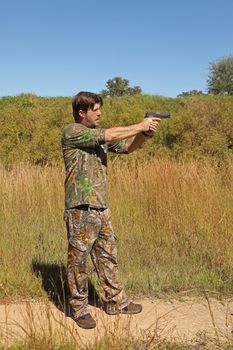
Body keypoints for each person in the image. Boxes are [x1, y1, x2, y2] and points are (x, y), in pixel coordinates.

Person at [61, 91, 160, 329]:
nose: (100, 113)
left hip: (101, 207)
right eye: (95, 109)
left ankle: (117, 302)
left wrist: (143, 134)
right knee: (79, 263)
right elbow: (108, 134)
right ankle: (79, 308)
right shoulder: (73, 132)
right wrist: (139, 124)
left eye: (100, 109)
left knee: (108, 256)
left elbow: (127, 147)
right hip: (81, 208)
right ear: (82, 113)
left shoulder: (99, 136)